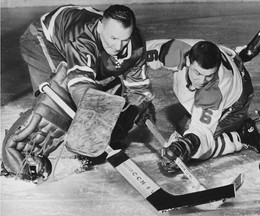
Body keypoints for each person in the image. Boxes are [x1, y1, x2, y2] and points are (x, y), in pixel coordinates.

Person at [1, 4, 156, 182]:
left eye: (124, 39)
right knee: (60, 98)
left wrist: (141, 106)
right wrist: (97, 121)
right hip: (45, 40)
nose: (118, 46)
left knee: (115, 103)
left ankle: (102, 140)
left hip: (85, 53)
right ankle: (15, 155)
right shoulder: (83, 37)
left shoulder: (135, 44)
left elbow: (138, 88)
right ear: (99, 27)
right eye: (113, 38)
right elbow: (80, 86)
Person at [145, 37, 260, 174]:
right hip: (228, 62)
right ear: (188, 60)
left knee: (192, 145)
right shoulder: (176, 50)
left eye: (208, 76)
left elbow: (202, 132)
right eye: (197, 73)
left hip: (236, 101)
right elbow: (138, 53)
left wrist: (186, 145)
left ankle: (242, 135)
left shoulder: (213, 92)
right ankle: (239, 56)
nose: (201, 81)